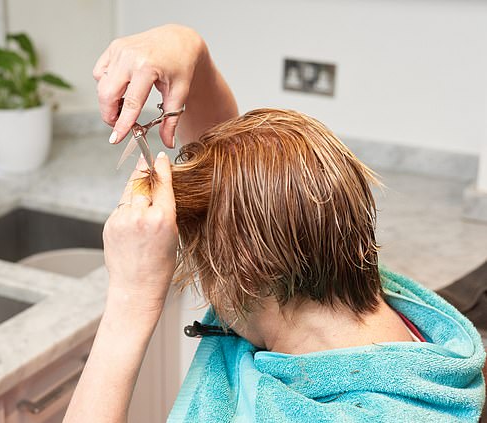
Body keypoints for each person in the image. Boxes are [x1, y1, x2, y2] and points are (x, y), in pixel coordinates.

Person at [63, 25, 485, 422]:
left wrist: (130, 302)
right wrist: (191, 48)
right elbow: (235, 187)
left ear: (239, 273)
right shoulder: (374, 314)